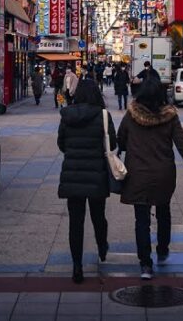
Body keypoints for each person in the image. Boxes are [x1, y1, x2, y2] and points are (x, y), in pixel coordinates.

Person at [117, 78, 183, 280]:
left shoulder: (131, 115)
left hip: (137, 174)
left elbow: (120, 140)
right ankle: (163, 249)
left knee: (141, 219)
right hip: (164, 173)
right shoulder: (170, 116)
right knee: (163, 209)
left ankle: (145, 265)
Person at [57, 78, 116, 284]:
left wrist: (73, 153)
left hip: (73, 175)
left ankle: (77, 267)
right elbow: (113, 143)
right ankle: (102, 246)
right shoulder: (103, 116)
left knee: (76, 222)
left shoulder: (67, 116)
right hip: (96, 175)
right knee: (98, 216)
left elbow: (61, 143)